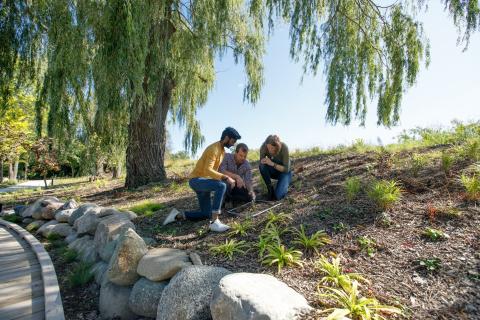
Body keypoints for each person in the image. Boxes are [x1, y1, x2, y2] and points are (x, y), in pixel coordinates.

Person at [162, 127, 240, 232]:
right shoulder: (214, 149)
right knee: (222, 185)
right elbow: (208, 170)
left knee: (206, 213)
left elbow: (212, 172)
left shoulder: (221, 151)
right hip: (196, 181)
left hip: (204, 182)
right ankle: (214, 222)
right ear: (226, 138)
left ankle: (177, 215)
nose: (233, 144)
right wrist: (225, 177)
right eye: (233, 141)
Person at [259, 135, 292, 200]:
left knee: (277, 196)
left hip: (284, 172)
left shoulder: (284, 147)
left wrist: (272, 164)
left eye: (272, 148)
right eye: (268, 147)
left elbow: (286, 169)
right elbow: (262, 166)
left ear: (277, 146)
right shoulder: (263, 147)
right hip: (273, 171)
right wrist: (264, 161)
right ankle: (270, 189)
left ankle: (289, 177)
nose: (269, 150)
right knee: (262, 165)